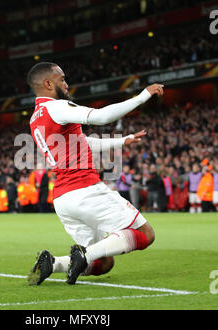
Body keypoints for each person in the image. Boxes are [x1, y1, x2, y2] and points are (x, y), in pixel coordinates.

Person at [27, 62, 164, 285]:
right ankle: (84, 255)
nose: (66, 83)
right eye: (62, 79)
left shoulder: (35, 118)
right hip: (84, 189)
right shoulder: (56, 107)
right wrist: (141, 97)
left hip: (63, 199)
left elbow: (81, 142)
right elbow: (100, 116)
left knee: (103, 264)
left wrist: (121, 141)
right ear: (48, 83)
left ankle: (53, 264)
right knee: (145, 234)